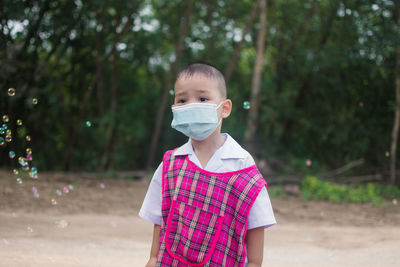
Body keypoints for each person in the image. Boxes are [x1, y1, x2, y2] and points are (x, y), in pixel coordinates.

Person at [139, 62, 276, 267]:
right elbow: (161, 221)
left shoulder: (242, 167)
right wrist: (152, 260)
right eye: (182, 100)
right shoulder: (171, 165)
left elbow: (255, 246)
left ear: (225, 108)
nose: (191, 105)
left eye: (202, 98)